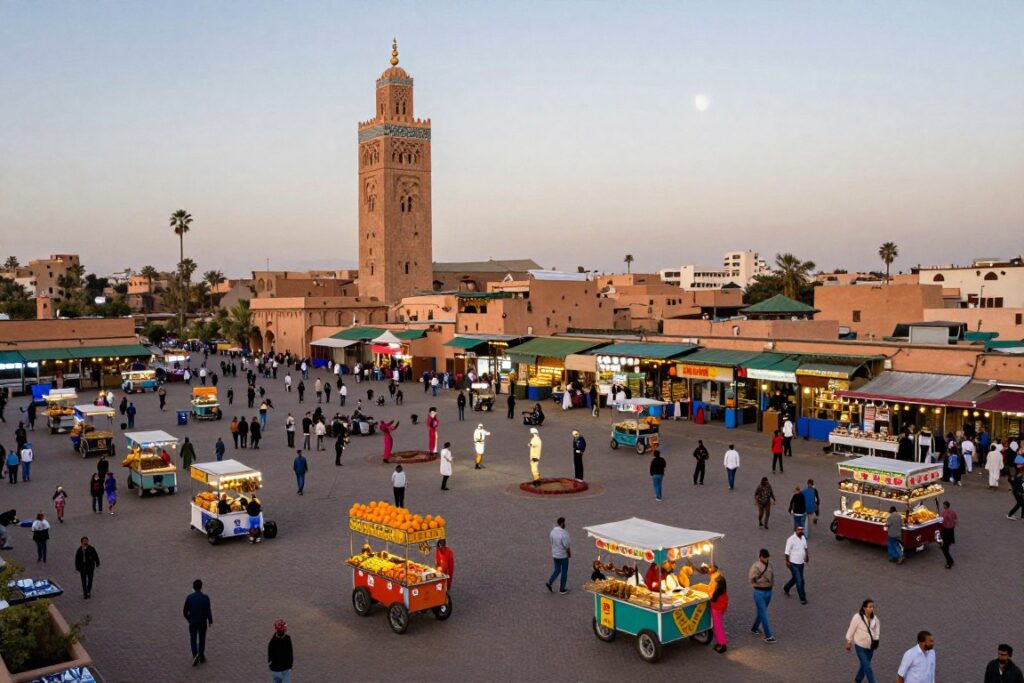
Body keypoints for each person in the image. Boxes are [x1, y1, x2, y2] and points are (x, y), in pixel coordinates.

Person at [845, 599, 880, 683]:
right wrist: (849, 642)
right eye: (870, 607)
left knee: (864, 665)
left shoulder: (875, 619)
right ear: (864, 608)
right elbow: (851, 629)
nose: (872, 609)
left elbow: (877, 631)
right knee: (867, 667)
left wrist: (876, 641)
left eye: (873, 607)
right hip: (860, 647)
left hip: (870, 647)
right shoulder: (857, 617)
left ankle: (858, 680)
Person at [183, 579, 214, 666]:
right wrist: (210, 621)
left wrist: (189, 619)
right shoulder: (205, 598)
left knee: (193, 638)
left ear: (193, 587)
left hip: (193, 621)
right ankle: (201, 655)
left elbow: (184, 612)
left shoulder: (189, 597)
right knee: (202, 638)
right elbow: (208, 611)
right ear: (201, 587)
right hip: (202, 622)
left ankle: (195, 654)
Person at [748, 548, 776, 643]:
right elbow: (751, 579)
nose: (766, 559)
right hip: (759, 592)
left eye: (767, 557)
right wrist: (760, 581)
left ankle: (754, 628)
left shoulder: (770, 565)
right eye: (765, 558)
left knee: (761, 612)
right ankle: (768, 636)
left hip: (768, 591)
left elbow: (772, 576)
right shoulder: (755, 567)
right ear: (760, 557)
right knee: (764, 613)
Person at [783, 526, 809, 604]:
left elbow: (805, 548)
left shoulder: (803, 538)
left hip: (801, 563)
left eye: (802, 530)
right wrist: (787, 562)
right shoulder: (790, 540)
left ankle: (786, 587)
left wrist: (807, 556)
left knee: (796, 578)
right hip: (793, 563)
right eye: (799, 530)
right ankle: (802, 598)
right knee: (800, 581)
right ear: (795, 530)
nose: (801, 531)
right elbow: (787, 552)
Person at [546, 517, 571, 595]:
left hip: (555, 554)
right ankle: (562, 589)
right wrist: (569, 554)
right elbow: (566, 546)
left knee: (557, 569)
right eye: (564, 523)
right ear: (562, 523)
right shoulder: (564, 534)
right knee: (564, 571)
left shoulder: (552, 532)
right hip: (563, 555)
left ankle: (550, 582)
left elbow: (551, 542)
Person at [708, 564, 729, 653]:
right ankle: (720, 642)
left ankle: (722, 645)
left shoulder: (716, 583)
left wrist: (710, 596)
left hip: (717, 606)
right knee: (718, 624)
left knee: (718, 626)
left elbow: (713, 598)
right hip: (723, 603)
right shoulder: (721, 578)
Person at [938, 500, 957, 569]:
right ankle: (950, 560)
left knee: (945, 550)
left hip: (946, 530)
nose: (943, 506)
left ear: (945, 506)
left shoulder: (944, 513)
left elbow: (941, 521)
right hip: (951, 530)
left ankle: (949, 562)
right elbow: (955, 519)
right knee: (947, 544)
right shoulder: (953, 512)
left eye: (944, 505)